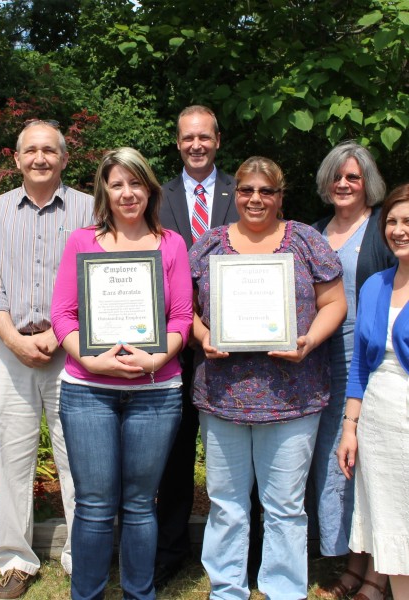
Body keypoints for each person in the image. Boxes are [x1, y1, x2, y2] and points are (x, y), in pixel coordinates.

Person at [190, 156, 346, 600]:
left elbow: (334, 302)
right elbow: (185, 310)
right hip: (223, 397)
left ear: (280, 196)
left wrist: (309, 342)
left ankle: (284, 589)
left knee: (285, 506)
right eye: (246, 190)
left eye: (266, 191)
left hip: (293, 397)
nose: (255, 199)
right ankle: (227, 589)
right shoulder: (210, 244)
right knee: (226, 503)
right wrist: (203, 336)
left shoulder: (307, 241)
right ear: (235, 194)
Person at [51, 147, 193, 600]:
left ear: (149, 189)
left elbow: (182, 318)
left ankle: (139, 594)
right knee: (94, 505)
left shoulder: (171, 244)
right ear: (105, 192)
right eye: (117, 185)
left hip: (156, 389)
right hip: (88, 389)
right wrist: (91, 360)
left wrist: (155, 359)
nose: (127, 193)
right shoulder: (82, 242)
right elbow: (63, 315)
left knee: (140, 505)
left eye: (135, 183)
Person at [0, 120, 94, 599]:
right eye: (31, 150)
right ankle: (16, 561)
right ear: (17, 158)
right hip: (9, 351)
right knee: (11, 458)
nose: (40, 158)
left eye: (49, 150)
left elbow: (97, 281)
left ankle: (80, 557)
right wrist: (15, 340)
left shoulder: (90, 208)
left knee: (78, 458)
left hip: (73, 352)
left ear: (64, 158)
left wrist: (58, 336)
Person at [155, 104, 239, 587]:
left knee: (234, 454)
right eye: (188, 137)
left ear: (217, 140)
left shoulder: (242, 192)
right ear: (178, 142)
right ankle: (171, 550)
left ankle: (242, 550)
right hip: (173, 344)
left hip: (233, 345)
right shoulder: (156, 196)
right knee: (175, 451)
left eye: (204, 136)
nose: (196, 145)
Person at [311, 141, 394, 600]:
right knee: (336, 462)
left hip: (367, 365)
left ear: (368, 184)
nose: (343, 184)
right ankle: (352, 558)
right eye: (337, 176)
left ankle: (378, 571)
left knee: (369, 464)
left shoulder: (383, 229)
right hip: (318, 363)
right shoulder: (313, 230)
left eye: (353, 177)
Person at [337, 183, 409, 600]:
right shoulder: (374, 286)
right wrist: (350, 427)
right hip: (379, 423)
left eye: (408, 221)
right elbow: (361, 366)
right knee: (391, 523)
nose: (399, 230)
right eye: (392, 222)